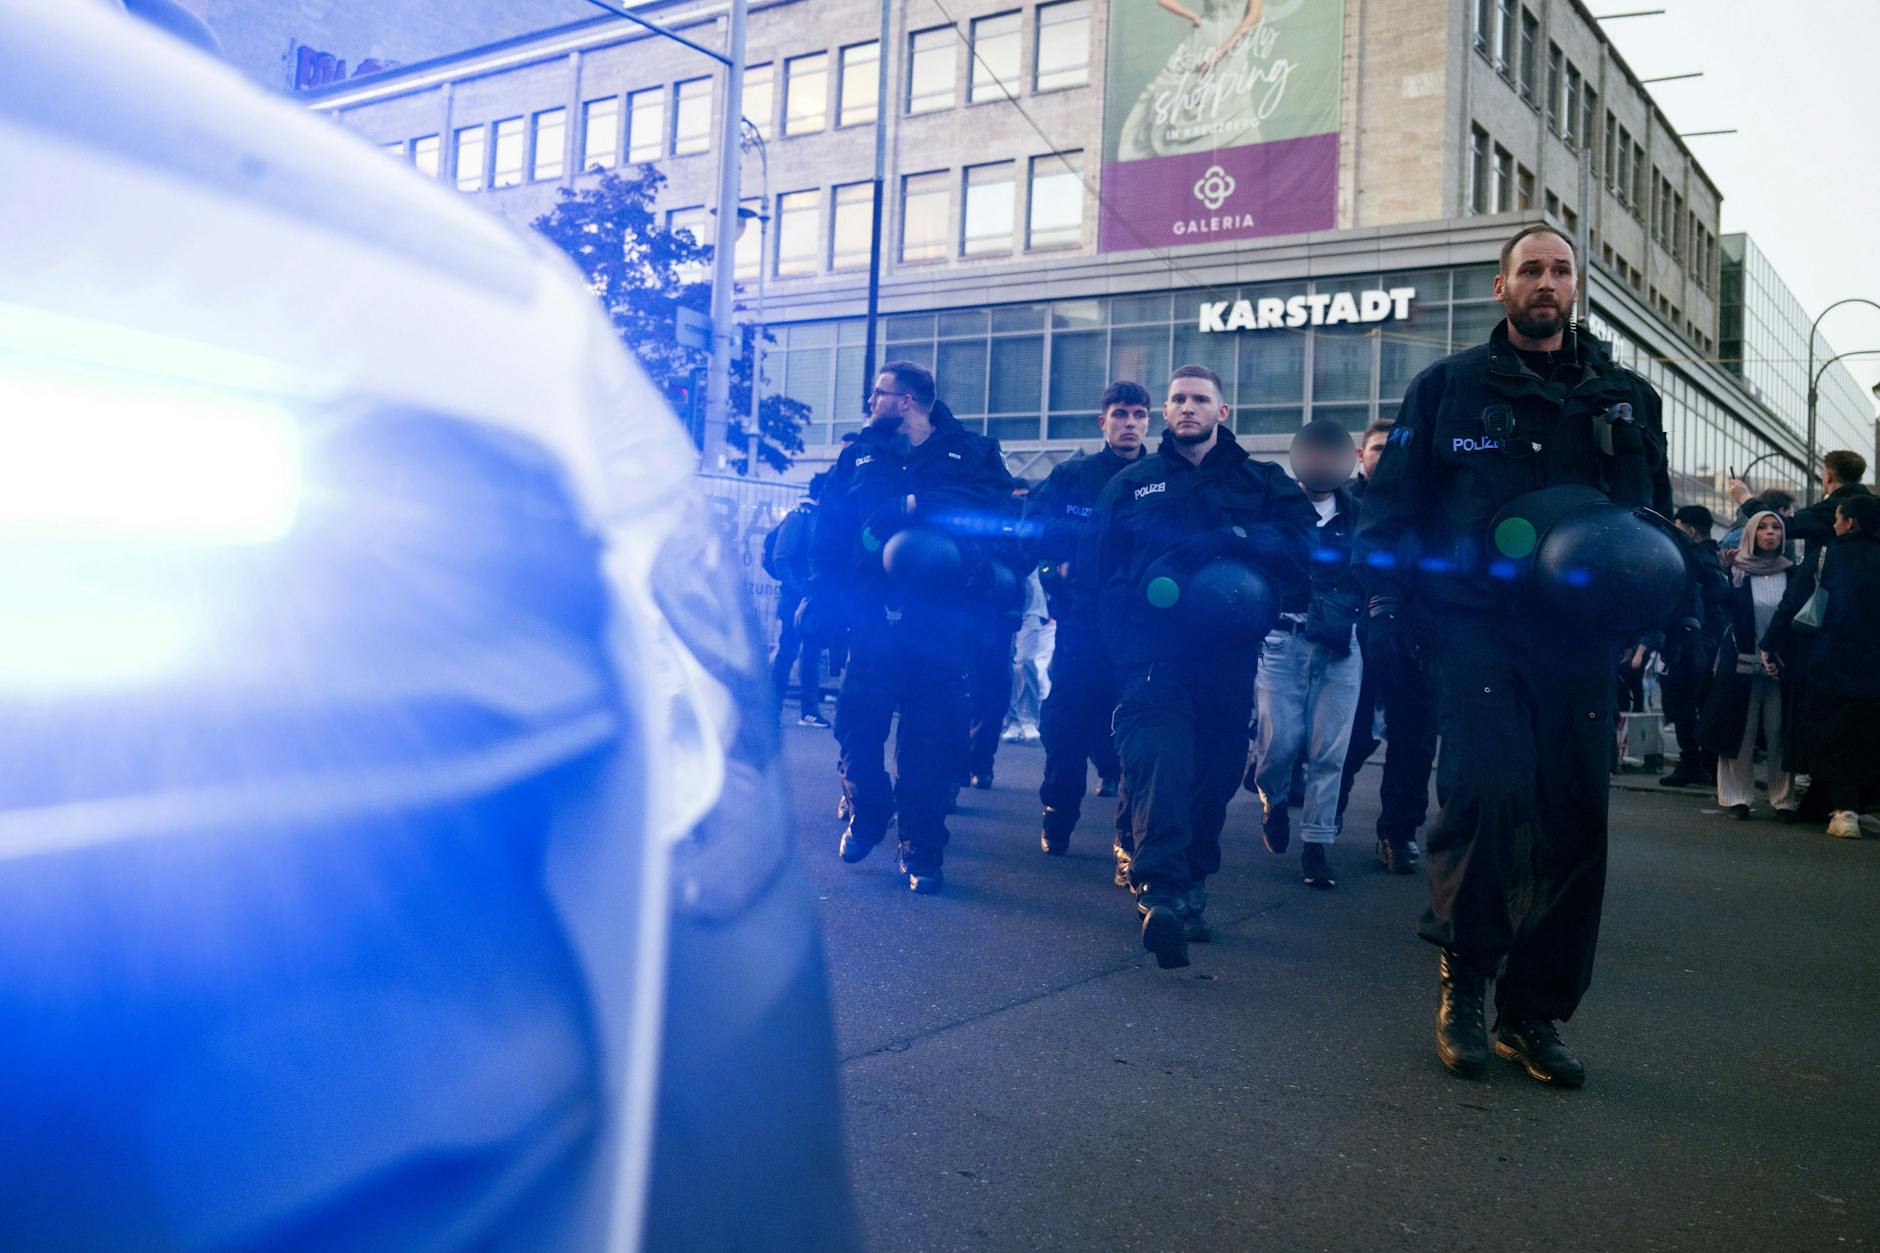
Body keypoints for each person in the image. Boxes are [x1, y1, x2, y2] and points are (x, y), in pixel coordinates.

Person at [1355, 222, 1671, 1087]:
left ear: (1576, 289)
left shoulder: (1626, 398)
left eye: (1560, 270)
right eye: (1530, 268)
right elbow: (1391, 511)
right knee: (1486, 797)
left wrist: (1669, 607)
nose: (1546, 281)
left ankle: (1534, 1015)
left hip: (1577, 640)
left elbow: (1654, 525)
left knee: (1574, 822)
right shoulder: (1448, 389)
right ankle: (1465, 983)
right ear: (1501, 287)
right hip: (1474, 626)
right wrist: (1385, 601)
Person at [1087, 364, 1314, 968]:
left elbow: (1302, 548)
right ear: (1166, 413)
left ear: (1223, 412)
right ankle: (1160, 892)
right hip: (1150, 653)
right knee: (1159, 761)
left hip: (1227, 653)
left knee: (1213, 772)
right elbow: (1100, 568)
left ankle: (1191, 880)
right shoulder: (1134, 483)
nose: (1188, 408)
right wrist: (1118, 642)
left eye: (1200, 399)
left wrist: (1232, 537)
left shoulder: (1262, 481)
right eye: (1178, 399)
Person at [803, 361, 1017, 893]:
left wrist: (915, 505)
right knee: (856, 724)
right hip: (873, 613)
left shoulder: (973, 451)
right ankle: (869, 810)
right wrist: (819, 597)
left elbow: (995, 508)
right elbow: (830, 532)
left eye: (877, 393)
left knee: (931, 742)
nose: (869, 402)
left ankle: (921, 850)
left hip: (944, 619)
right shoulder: (859, 453)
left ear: (906, 400)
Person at [1027, 381, 1151, 860]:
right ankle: (1058, 814)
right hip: (1080, 627)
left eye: (1139, 414)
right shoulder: (1071, 475)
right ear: (1104, 422)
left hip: (1140, 631)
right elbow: (1036, 527)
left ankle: (1131, 837)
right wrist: (1067, 557)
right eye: (1120, 414)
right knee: (1064, 727)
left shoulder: (1163, 477)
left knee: (1138, 731)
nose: (1130, 423)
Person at [1248, 419, 1365, 889]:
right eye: (1312, 452)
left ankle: (1317, 845)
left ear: (1347, 458)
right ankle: (1273, 797)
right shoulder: (1277, 510)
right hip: (1283, 638)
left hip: (1342, 642)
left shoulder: (1360, 515)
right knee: (1279, 744)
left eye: (1330, 453)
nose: (1321, 461)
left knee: (1329, 749)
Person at [1337, 417, 1436, 874]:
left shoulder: (1424, 507)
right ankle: (1328, 810)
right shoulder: (1342, 502)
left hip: (1411, 634)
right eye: (1376, 448)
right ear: (1361, 455)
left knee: (1413, 737)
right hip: (1352, 637)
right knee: (1350, 734)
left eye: (1391, 449)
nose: (1384, 456)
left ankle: (1398, 834)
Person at [1762, 493, 1880, 839]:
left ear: (1850, 523)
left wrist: (1770, 645)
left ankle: (1844, 812)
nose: (1834, 524)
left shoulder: (1825, 557)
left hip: (1830, 661)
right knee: (1869, 733)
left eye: (1838, 519)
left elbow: (1790, 607)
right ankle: (1851, 804)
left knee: (1834, 735)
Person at [1696, 510, 1798, 820]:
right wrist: (1725, 572)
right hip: (1739, 662)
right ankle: (1736, 798)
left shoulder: (1792, 573)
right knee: (1739, 731)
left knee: (1779, 731)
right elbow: (1718, 604)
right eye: (1763, 528)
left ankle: (1783, 800)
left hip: (1779, 664)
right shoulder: (1736, 571)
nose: (1770, 533)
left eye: (1776, 528)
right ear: (1751, 534)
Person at [1658, 505, 1729, 788]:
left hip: (1693, 641)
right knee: (1700, 702)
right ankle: (1706, 763)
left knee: (1683, 700)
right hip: (1705, 640)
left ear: (1689, 530)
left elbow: (1709, 600)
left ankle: (1692, 763)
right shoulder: (1714, 557)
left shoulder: (1695, 559)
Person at [764, 472, 836, 727]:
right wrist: (797, 589)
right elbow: (780, 557)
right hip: (796, 598)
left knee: (812, 654)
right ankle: (771, 710)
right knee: (788, 652)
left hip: (813, 598)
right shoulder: (799, 516)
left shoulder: (819, 518)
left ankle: (809, 710)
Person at [1002, 568, 1054, 743]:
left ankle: (1028, 718)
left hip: (1032, 606)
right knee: (1006, 665)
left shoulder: (1033, 544)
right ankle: (1013, 719)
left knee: (1024, 661)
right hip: (1006, 604)